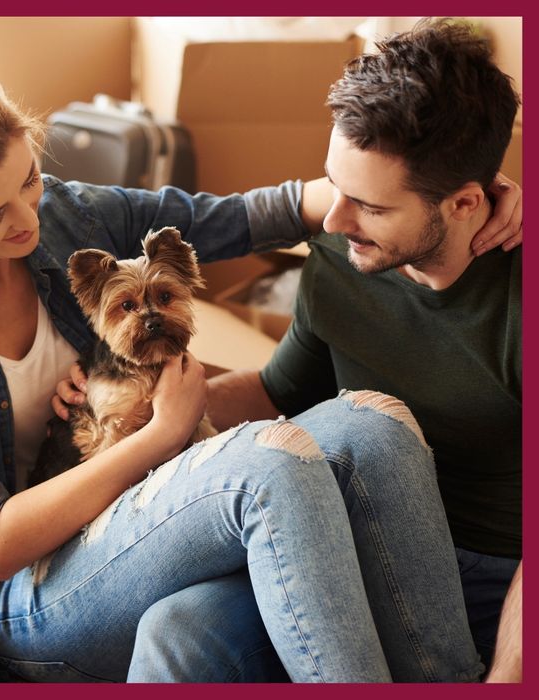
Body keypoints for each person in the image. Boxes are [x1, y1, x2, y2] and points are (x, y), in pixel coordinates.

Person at [0, 46, 520, 682]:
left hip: (141, 513)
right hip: (23, 594)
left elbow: (249, 216)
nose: (28, 217)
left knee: (372, 423)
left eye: (29, 178)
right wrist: (160, 434)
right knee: (271, 463)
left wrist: (465, 186)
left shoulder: (62, 212)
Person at [119, 18, 523, 683]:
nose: (332, 222)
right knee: (179, 631)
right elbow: (282, 390)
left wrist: (509, 679)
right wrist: (140, 409)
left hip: (489, 577)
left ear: (464, 203)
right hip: (346, 534)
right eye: (334, 186)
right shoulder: (341, 254)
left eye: (369, 206)